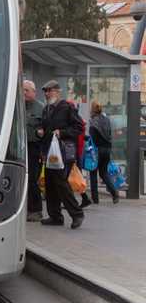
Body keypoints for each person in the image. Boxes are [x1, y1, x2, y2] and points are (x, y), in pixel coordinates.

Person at [38, 80, 85, 229]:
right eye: (45, 91)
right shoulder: (46, 109)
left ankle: (77, 214)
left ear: (58, 91)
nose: (46, 94)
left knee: (61, 184)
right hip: (49, 153)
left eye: (49, 90)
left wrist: (62, 132)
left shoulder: (66, 107)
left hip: (63, 153)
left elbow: (79, 127)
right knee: (50, 184)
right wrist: (39, 132)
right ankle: (55, 216)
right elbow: (44, 129)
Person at [88, 100, 118, 204]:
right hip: (107, 149)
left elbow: (93, 140)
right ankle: (114, 193)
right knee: (103, 172)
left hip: (97, 151)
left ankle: (95, 199)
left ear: (92, 109)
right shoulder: (106, 120)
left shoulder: (93, 122)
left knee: (93, 173)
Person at [23, 81, 44, 221]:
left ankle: (36, 210)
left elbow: (46, 129)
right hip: (18, 149)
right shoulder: (16, 106)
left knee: (32, 180)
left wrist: (41, 133)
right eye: (22, 90)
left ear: (33, 92)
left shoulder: (40, 108)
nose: (24, 93)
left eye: (26, 90)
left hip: (34, 148)